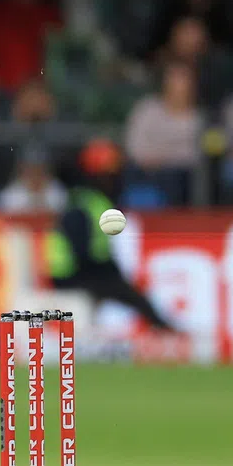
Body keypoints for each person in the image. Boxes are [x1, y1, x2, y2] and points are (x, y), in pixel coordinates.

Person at [46, 138, 175, 331]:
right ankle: (165, 331)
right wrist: (109, 275)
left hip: (83, 271)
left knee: (126, 291)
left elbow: (98, 250)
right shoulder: (84, 203)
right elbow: (81, 250)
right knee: (126, 293)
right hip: (70, 274)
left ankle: (163, 328)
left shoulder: (93, 201)